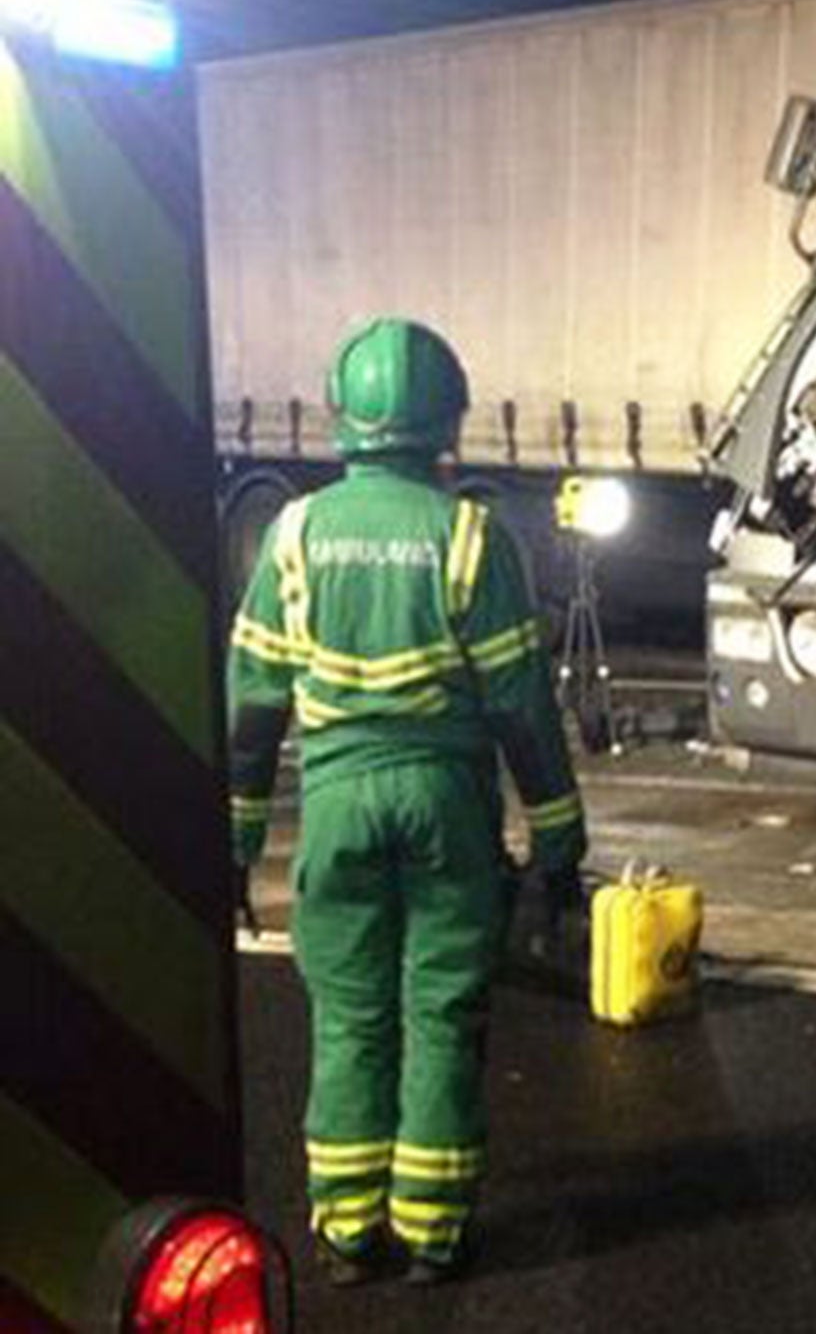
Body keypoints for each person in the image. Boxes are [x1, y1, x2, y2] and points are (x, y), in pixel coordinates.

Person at [227, 318, 586, 1286]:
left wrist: (237, 839)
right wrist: (561, 850)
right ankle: (433, 1231)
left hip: (337, 802)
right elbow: (522, 712)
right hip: (446, 809)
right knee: (441, 1009)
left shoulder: (293, 534)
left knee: (348, 1015)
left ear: (340, 413)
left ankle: (347, 1233)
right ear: (446, 419)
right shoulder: (471, 538)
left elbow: (254, 703)